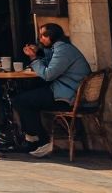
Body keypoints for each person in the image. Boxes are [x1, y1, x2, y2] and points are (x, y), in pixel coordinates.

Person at [14, 22, 91, 158]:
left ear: (53, 36)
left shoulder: (63, 50)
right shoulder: (62, 48)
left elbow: (48, 74)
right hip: (65, 91)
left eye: (44, 35)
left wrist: (33, 58)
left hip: (66, 97)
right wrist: (38, 52)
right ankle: (32, 139)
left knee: (22, 100)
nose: (40, 39)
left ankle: (41, 140)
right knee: (25, 96)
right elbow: (50, 60)